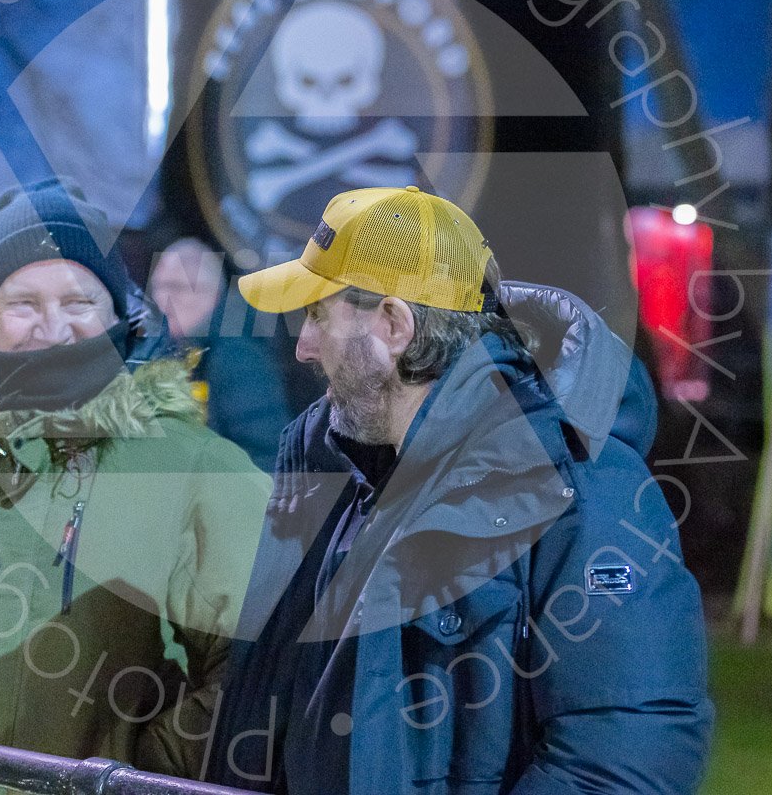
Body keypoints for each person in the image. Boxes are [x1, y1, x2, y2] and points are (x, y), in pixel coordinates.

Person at [206, 186, 713, 795]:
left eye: (318, 316)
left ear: (393, 325)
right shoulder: (337, 477)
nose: (304, 348)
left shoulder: (585, 493)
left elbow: (620, 767)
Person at [0, 180, 271, 793]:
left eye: (79, 301)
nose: (51, 326)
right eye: (22, 301)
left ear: (119, 312)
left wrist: (141, 772)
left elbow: (252, 671)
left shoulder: (201, 474)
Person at [147, 236, 293, 470]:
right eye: (157, 287)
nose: (162, 300)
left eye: (176, 287)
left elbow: (267, 453)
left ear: (212, 295)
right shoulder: (172, 354)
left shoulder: (238, 356)